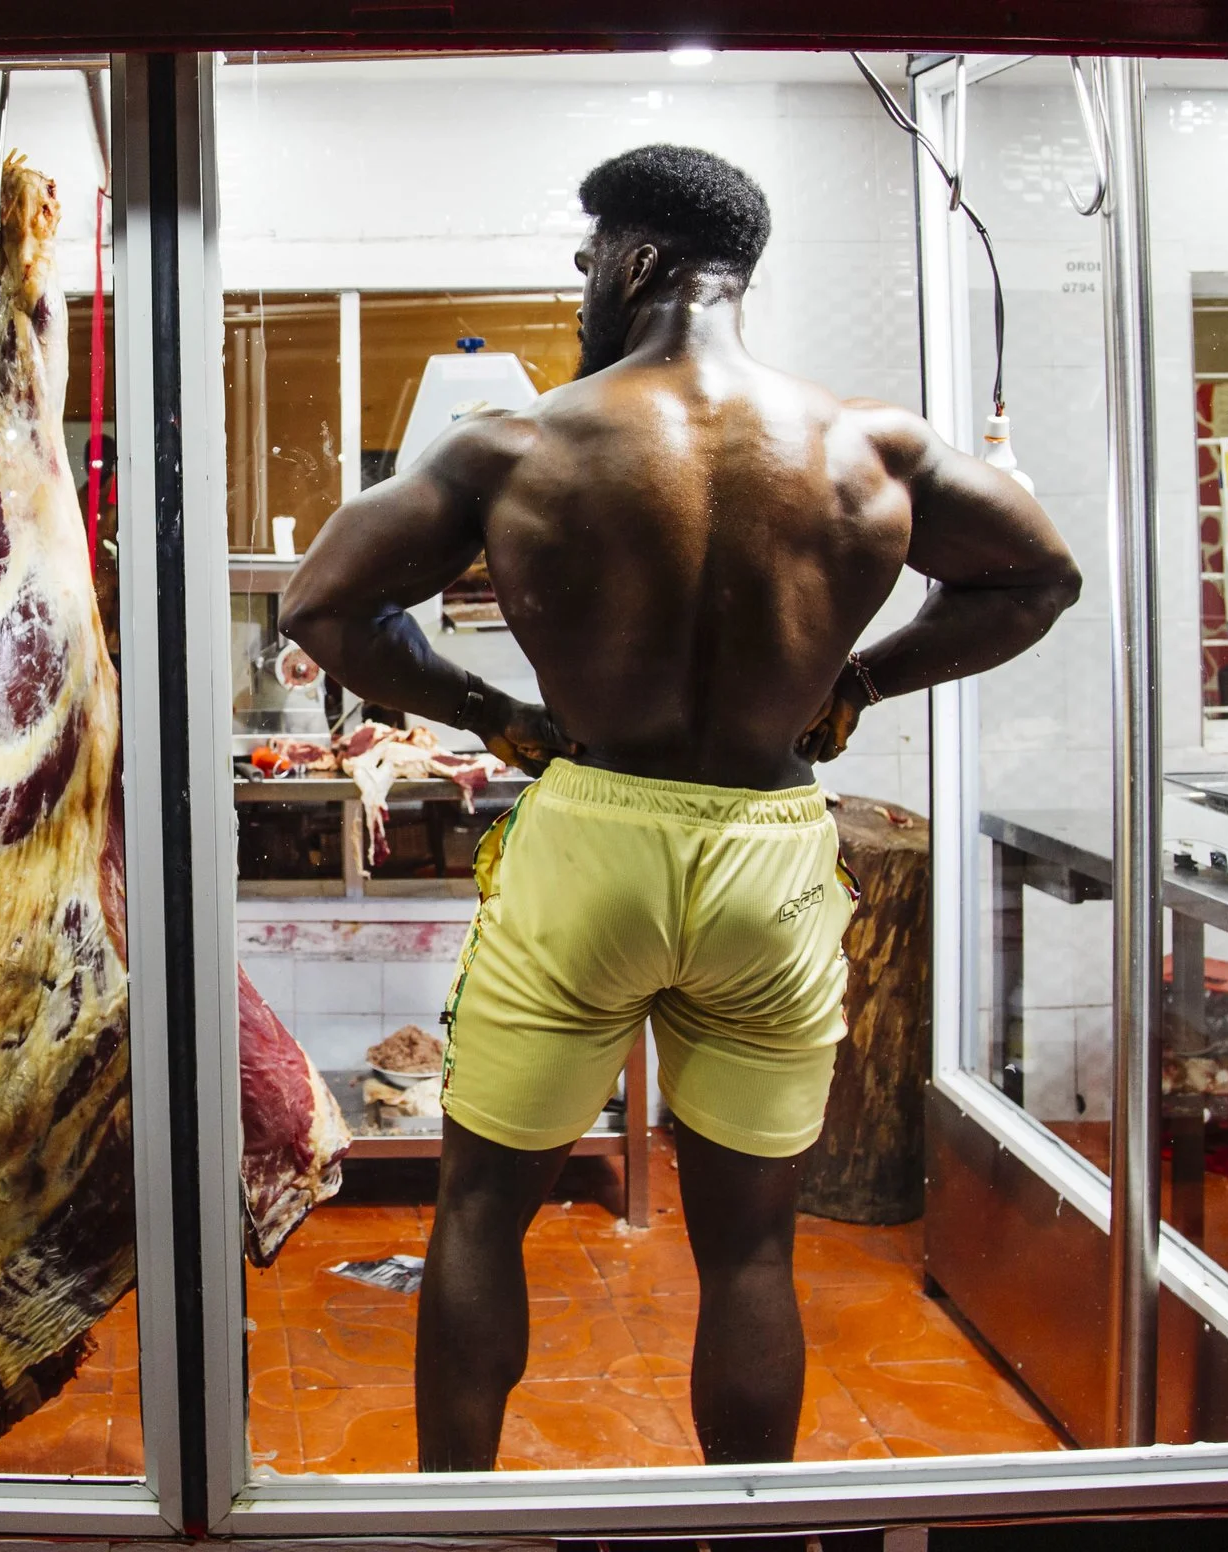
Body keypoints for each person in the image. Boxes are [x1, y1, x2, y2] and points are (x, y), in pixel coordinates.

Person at [278, 143, 1081, 1470]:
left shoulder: (523, 443)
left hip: (594, 829)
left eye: (589, 259)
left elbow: (322, 605)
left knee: (479, 1215)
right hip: (772, 846)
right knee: (751, 1251)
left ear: (638, 261)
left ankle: (451, 1526)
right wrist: (864, 678)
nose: (582, 285)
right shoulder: (861, 444)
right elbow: (1037, 579)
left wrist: (494, 716)